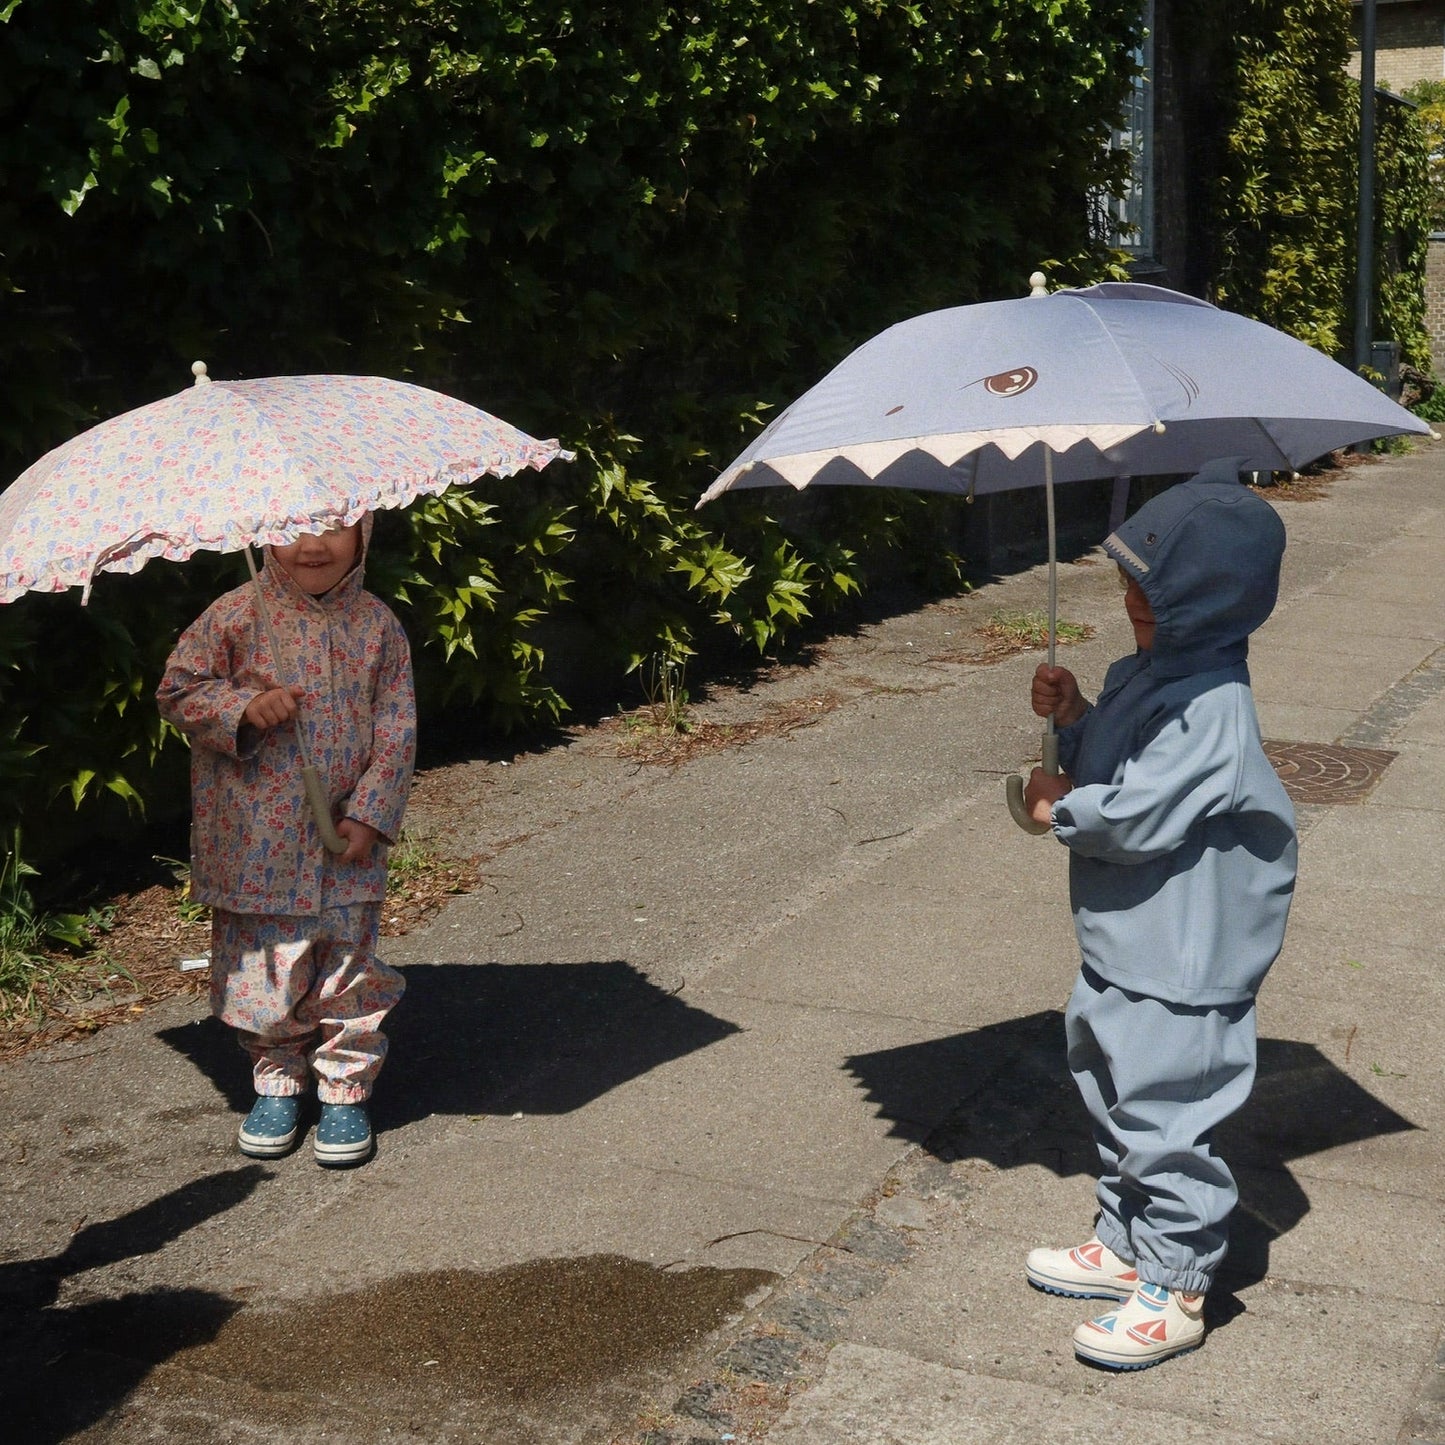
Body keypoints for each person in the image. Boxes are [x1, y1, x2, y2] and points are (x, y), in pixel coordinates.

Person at [1020, 458, 1297, 1370]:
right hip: (1129, 937)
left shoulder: (1213, 705)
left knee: (1167, 1113)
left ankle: (1176, 1280)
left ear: (1207, 601)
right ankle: (1124, 1237)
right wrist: (1073, 719)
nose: (1132, 606)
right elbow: (1117, 754)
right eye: (1130, 588)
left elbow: (1138, 808)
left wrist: (1062, 806)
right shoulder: (1151, 673)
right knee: (1108, 1086)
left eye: (1151, 593)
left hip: (1181, 956)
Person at [157, 516, 416, 1168]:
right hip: (256, 843)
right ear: (262, 530)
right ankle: (276, 1077)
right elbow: (178, 690)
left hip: (343, 842)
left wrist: (372, 810)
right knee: (265, 971)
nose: (312, 544)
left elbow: (395, 726)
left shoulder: (378, 627)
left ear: (365, 530)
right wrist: (241, 707)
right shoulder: (234, 615)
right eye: (292, 526)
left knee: (346, 967)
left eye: (334, 526)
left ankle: (344, 1088)